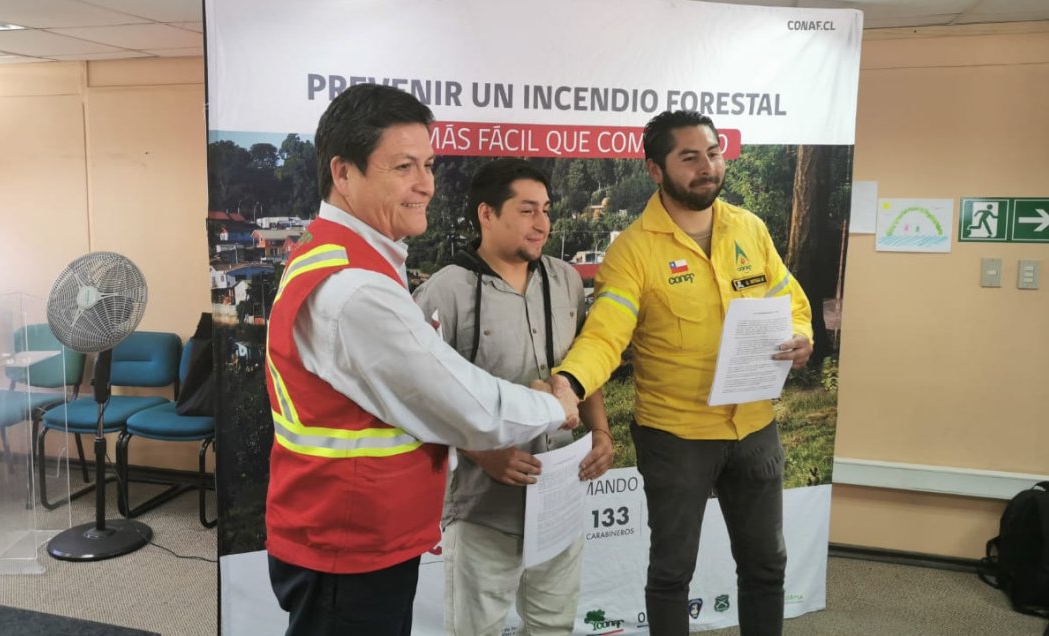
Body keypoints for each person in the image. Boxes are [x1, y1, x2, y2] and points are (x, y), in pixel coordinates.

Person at [263, 84, 580, 636]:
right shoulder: (354, 287)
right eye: (403, 167)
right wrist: (554, 407)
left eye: (428, 165)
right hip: (349, 544)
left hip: (360, 532)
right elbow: (464, 404)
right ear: (343, 173)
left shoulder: (353, 259)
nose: (426, 184)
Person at [550, 110, 813, 636]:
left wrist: (801, 335)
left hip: (755, 428)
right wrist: (571, 382)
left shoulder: (749, 228)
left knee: (767, 566)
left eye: (713, 153)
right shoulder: (633, 251)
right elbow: (605, 333)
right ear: (656, 169)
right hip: (676, 437)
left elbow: (790, 300)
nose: (707, 167)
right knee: (672, 574)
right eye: (689, 157)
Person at [413, 158, 614, 636]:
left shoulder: (566, 280)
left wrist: (601, 431)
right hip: (483, 507)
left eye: (546, 210)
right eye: (527, 210)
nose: (542, 223)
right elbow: (421, 397)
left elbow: (583, 364)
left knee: (553, 626)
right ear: (487, 213)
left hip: (559, 494)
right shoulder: (446, 292)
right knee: (474, 630)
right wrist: (485, 453)